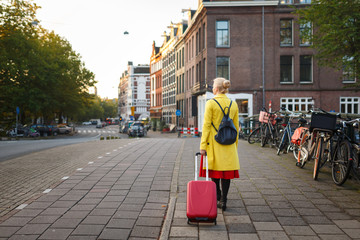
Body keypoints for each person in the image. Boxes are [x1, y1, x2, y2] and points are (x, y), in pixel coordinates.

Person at [200, 77, 240, 211]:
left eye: (212, 86)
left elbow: (206, 126)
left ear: (216, 89)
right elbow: (236, 127)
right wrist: (235, 145)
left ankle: (217, 195)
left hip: (214, 143)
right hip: (229, 144)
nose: (212, 87)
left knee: (215, 171)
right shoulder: (233, 104)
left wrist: (203, 146)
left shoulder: (211, 103)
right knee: (226, 174)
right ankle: (224, 199)